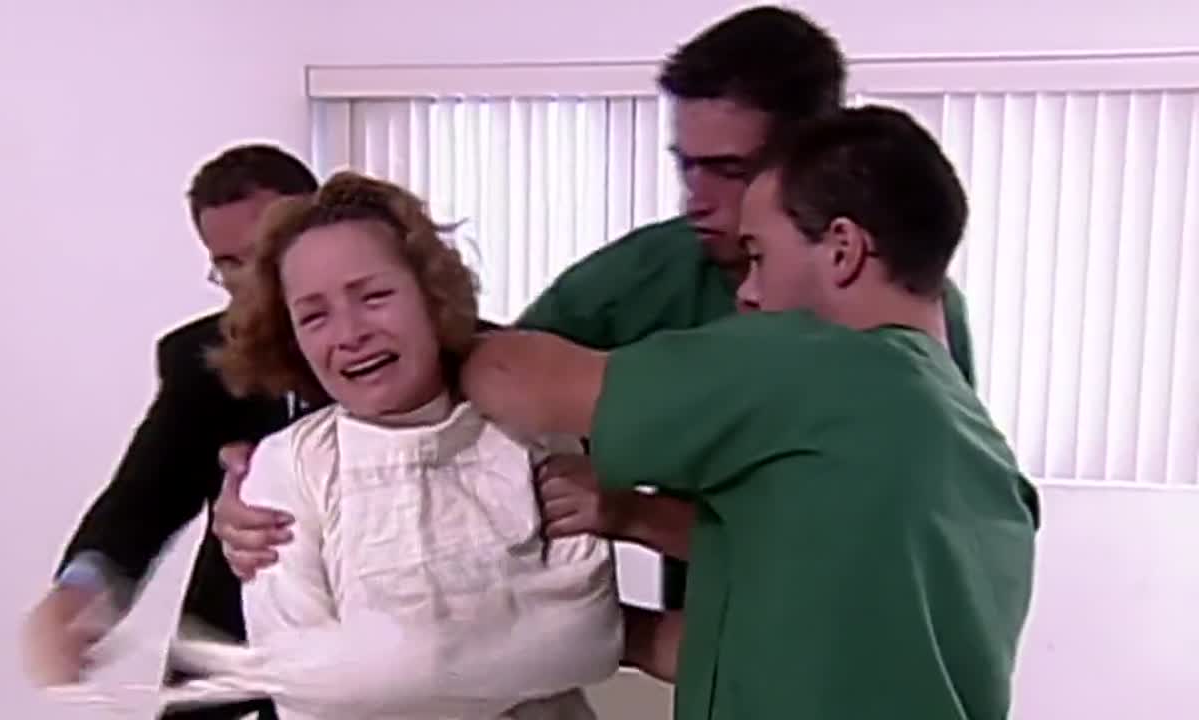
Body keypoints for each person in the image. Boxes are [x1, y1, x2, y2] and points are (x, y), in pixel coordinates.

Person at [209, 6, 980, 611]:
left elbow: (853, 552)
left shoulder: (905, 336)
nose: (697, 198)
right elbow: (468, 380)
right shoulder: (655, 269)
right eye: (686, 165)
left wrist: (634, 518)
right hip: (714, 646)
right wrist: (292, 474)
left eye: (728, 170)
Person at [458, 105, 1040, 719]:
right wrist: (593, 581)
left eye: (758, 256)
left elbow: (514, 379)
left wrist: (416, 330)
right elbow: (773, 636)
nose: (747, 293)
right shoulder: (986, 468)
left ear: (842, 249)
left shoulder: (819, 366)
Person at [142, 171, 621, 720]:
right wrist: (512, 651)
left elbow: (588, 638)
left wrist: (387, 668)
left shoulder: (532, 430)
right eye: (314, 316)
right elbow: (307, 686)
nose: (350, 334)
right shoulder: (286, 469)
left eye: (374, 297)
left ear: (432, 296)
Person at [22, 144, 320, 720]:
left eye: (267, 255)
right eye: (230, 264)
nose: (255, 283)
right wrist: (81, 592)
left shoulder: (439, 349)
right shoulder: (201, 358)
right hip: (233, 648)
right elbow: (147, 493)